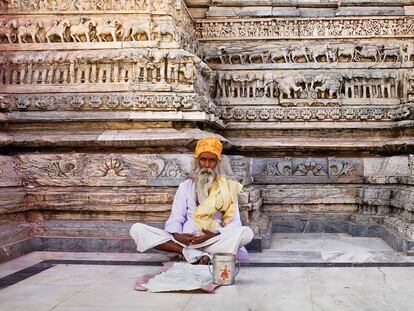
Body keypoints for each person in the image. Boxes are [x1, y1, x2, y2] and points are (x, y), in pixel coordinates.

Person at [129, 137, 254, 264]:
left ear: (218, 163)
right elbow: (176, 218)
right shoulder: (185, 186)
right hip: (187, 241)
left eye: (211, 160)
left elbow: (234, 222)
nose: (206, 165)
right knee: (137, 229)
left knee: (246, 233)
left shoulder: (228, 187)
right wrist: (178, 235)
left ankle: (198, 254)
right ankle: (190, 253)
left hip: (215, 240)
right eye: (203, 159)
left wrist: (215, 234)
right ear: (197, 161)